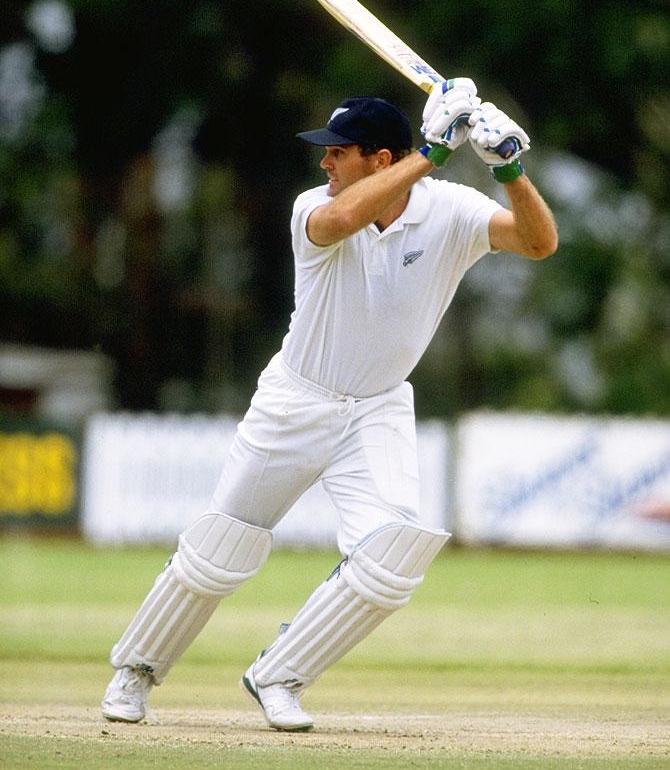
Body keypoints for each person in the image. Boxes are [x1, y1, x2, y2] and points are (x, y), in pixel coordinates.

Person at [101, 78, 558, 732]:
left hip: (377, 410)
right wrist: (430, 151)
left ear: (376, 158)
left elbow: (539, 242)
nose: (324, 164)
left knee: (393, 559)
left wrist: (511, 170)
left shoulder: (453, 210)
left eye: (338, 152)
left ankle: (279, 676)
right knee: (219, 549)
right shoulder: (314, 207)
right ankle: (135, 673)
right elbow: (342, 221)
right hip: (296, 400)